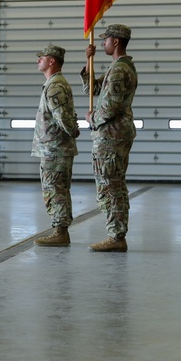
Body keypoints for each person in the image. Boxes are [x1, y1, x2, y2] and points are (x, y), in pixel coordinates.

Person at [81, 23, 137, 252]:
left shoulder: (119, 70)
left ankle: (116, 236)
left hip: (111, 135)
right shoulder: (119, 67)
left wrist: (92, 119)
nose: (102, 42)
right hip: (114, 133)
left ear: (115, 42)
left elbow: (111, 105)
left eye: (105, 40)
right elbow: (92, 90)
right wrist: (88, 61)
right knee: (115, 184)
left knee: (110, 186)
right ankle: (117, 234)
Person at [31, 44, 80, 246]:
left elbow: (62, 116)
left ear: (52, 61)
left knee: (55, 190)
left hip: (55, 149)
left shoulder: (55, 85)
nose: (38, 60)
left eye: (41, 57)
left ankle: (60, 232)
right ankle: (61, 230)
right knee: (58, 189)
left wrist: (72, 129)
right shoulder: (54, 83)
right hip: (55, 148)